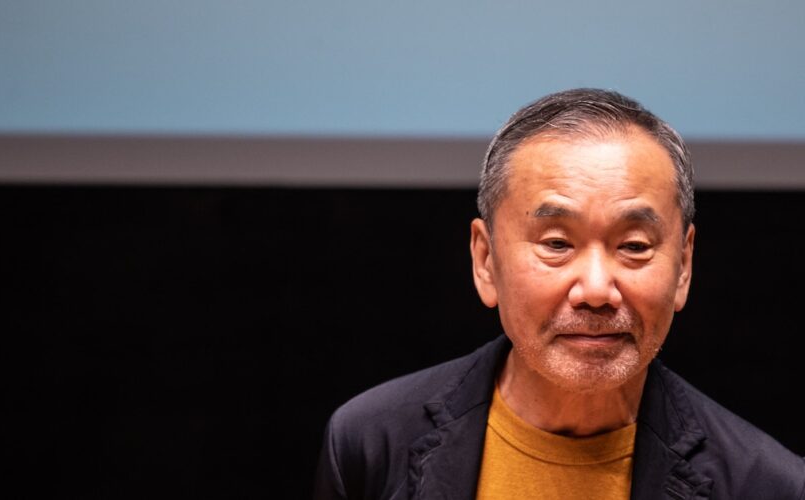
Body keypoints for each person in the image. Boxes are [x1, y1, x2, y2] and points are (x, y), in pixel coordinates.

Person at [313, 89, 805, 499]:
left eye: (633, 246)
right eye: (556, 244)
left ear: (683, 267)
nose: (596, 290)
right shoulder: (371, 444)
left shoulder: (766, 484)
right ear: (485, 260)